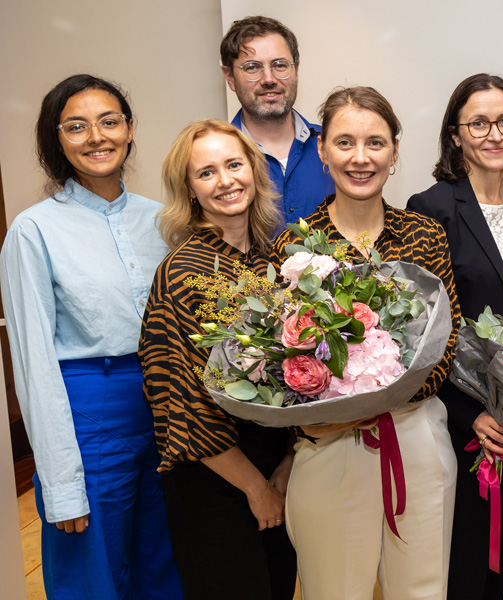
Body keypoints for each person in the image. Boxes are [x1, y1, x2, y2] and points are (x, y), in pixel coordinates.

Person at [270, 86, 461, 600]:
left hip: (416, 437)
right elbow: (278, 356)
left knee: (421, 590)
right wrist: (327, 407)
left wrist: (386, 393)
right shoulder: (293, 244)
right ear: (324, 152)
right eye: (345, 142)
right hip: (329, 444)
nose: (360, 157)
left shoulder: (425, 235)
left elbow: (447, 341)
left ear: (395, 151)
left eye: (375, 142)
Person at [0, 74, 182, 599]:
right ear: (55, 140)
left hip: (168, 408)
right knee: (92, 573)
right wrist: (59, 483)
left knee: (164, 563)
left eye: (109, 121)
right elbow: (33, 361)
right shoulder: (34, 231)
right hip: (87, 416)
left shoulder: (164, 222)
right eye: (76, 126)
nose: (96, 137)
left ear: (129, 130)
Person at [407, 73, 503, 600]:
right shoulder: (432, 207)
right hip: (467, 417)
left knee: (498, 556)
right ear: (455, 134)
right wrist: (473, 414)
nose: (494, 134)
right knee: (465, 559)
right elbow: (423, 332)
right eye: (478, 123)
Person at [139, 119, 297, 600]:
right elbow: (180, 401)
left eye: (234, 164)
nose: (226, 180)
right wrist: (256, 488)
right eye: (206, 173)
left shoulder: (277, 259)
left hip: (277, 466)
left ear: (254, 169)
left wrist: (289, 462)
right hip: (215, 477)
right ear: (188, 189)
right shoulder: (183, 271)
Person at [221, 15, 334, 228]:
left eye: (280, 65)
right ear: (229, 77)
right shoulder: (215, 160)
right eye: (252, 67)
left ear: (296, 70)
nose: (269, 79)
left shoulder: (336, 148)